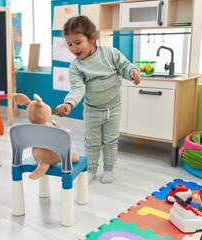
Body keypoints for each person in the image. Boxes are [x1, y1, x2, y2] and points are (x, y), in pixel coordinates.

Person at [55, 15, 141, 185]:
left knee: (110, 141)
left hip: (113, 109)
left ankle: (108, 169)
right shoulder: (76, 66)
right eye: (69, 44)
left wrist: (132, 72)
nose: (74, 48)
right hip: (92, 110)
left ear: (92, 38)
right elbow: (78, 88)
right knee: (92, 143)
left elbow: (124, 66)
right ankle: (91, 170)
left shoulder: (110, 53)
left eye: (78, 42)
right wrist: (69, 103)